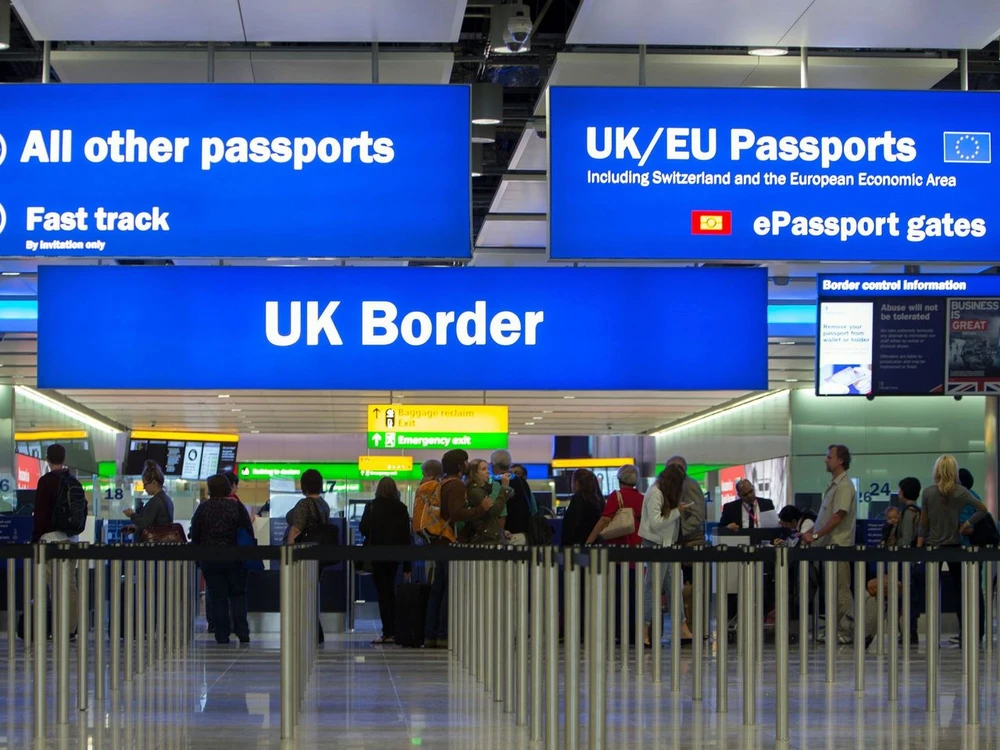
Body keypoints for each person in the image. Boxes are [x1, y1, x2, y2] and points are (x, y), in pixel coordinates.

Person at [917, 455, 988, 645]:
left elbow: (924, 522)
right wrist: (966, 524)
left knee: (932, 593)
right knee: (961, 591)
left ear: (937, 470)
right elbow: (982, 509)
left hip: (933, 547)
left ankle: (933, 637)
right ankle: (968, 633)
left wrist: (918, 545)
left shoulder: (928, 493)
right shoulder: (961, 492)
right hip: (956, 546)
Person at [430, 449, 493, 649]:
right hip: (451, 542)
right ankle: (445, 634)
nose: (468, 464)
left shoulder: (443, 483)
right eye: (465, 462)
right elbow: (457, 514)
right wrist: (480, 509)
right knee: (451, 589)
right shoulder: (456, 485)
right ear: (459, 466)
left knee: (438, 589)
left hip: (440, 541)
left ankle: (431, 634)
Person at [803, 444, 858, 645]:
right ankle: (835, 630)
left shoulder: (844, 486)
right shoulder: (834, 485)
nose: (826, 460)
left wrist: (816, 535)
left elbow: (838, 516)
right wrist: (809, 533)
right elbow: (826, 516)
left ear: (840, 460)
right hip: (827, 547)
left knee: (841, 592)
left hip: (838, 546)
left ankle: (847, 631)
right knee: (833, 591)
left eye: (829, 457)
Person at [189, 474, 253, 645]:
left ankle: (222, 634)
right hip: (236, 558)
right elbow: (248, 531)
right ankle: (242, 631)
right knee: (238, 595)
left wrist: (197, 557)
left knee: (218, 597)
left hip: (211, 559)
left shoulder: (203, 509)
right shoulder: (237, 507)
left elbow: (195, 533)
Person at [639, 464, 690, 645]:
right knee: (652, 588)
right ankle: (644, 630)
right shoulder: (655, 493)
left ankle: (682, 628)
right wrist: (678, 512)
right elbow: (657, 523)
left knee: (673, 587)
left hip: (666, 545)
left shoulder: (661, 492)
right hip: (656, 545)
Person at [32, 443, 79, 637]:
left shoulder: (46, 481)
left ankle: (53, 627)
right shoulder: (73, 481)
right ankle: (70, 629)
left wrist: (35, 538)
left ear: (47, 459)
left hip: (50, 541)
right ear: (64, 458)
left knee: (51, 586)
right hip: (72, 540)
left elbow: (41, 514)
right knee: (69, 585)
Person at [359, 477, 412, 645]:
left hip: (376, 555)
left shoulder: (371, 506)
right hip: (394, 557)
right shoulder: (401, 508)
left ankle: (388, 632)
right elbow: (406, 537)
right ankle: (394, 631)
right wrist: (407, 565)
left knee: (383, 593)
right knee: (391, 591)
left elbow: (363, 528)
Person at [285, 469, 331, 643]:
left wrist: (289, 551)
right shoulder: (323, 504)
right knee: (310, 592)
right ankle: (314, 630)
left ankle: (312, 631)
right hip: (319, 553)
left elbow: (296, 529)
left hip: (304, 554)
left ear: (304, 485)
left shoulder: (304, 504)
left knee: (302, 593)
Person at [667, 456, 706, 633]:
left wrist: (680, 532)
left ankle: (692, 628)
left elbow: (697, 515)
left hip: (690, 542)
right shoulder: (670, 486)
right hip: (676, 542)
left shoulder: (689, 485)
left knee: (691, 589)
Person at [585, 464, 643, 546]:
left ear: (619, 479)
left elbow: (604, 520)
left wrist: (589, 541)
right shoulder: (642, 498)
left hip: (618, 545)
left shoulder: (616, 496)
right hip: (637, 544)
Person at [895, 476, 923, 645]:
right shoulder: (918, 511)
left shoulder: (908, 512)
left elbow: (905, 539)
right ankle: (911, 631)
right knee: (912, 598)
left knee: (905, 598)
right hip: (914, 562)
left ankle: (908, 632)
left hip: (906, 563)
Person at [490, 450, 536, 539]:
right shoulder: (522, 481)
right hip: (524, 533)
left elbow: (499, 513)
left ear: (493, 466)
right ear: (509, 464)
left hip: (506, 534)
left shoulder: (496, 483)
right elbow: (533, 508)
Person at [124, 460, 175, 538]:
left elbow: (144, 523)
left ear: (154, 483)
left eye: (145, 484)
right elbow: (154, 524)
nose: (144, 488)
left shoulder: (156, 501)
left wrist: (131, 514)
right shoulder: (167, 499)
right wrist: (137, 528)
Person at [465, 458, 509, 544]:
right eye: (483, 469)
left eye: (488, 469)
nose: (488, 472)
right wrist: (504, 488)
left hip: (490, 535)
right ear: (475, 473)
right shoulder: (475, 491)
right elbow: (494, 511)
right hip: (485, 538)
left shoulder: (484, 489)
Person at [560, 469, 605, 547]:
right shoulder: (600, 501)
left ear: (577, 483)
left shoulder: (578, 499)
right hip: (596, 546)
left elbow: (570, 527)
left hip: (579, 548)